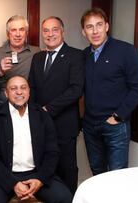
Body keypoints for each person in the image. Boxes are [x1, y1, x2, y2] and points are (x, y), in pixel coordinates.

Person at [0, 75, 72, 203]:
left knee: (64, 198)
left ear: (29, 91)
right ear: (6, 93)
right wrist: (13, 183)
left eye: (23, 88)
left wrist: (40, 179)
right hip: (5, 176)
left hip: (36, 174)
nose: (19, 92)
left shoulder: (42, 115)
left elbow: (52, 152)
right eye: (13, 88)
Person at [81, 8, 138, 175]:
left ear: (107, 26)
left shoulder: (125, 51)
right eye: (89, 27)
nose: (95, 31)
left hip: (115, 125)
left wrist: (118, 116)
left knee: (117, 176)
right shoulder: (83, 56)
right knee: (97, 174)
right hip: (90, 126)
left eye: (99, 25)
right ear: (83, 32)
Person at [28, 16, 84, 193]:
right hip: (41, 123)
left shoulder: (76, 55)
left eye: (54, 29)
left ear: (62, 32)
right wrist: (36, 112)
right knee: (45, 167)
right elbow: (32, 87)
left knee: (66, 168)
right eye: (46, 30)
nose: (50, 34)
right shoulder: (37, 57)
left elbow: (76, 90)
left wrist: (48, 109)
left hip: (65, 124)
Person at [0, 15, 40, 109]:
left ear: (26, 33)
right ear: (8, 33)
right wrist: (0, 73)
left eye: (21, 29)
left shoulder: (36, 52)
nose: (18, 34)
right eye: (13, 30)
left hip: (29, 108)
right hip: (3, 109)